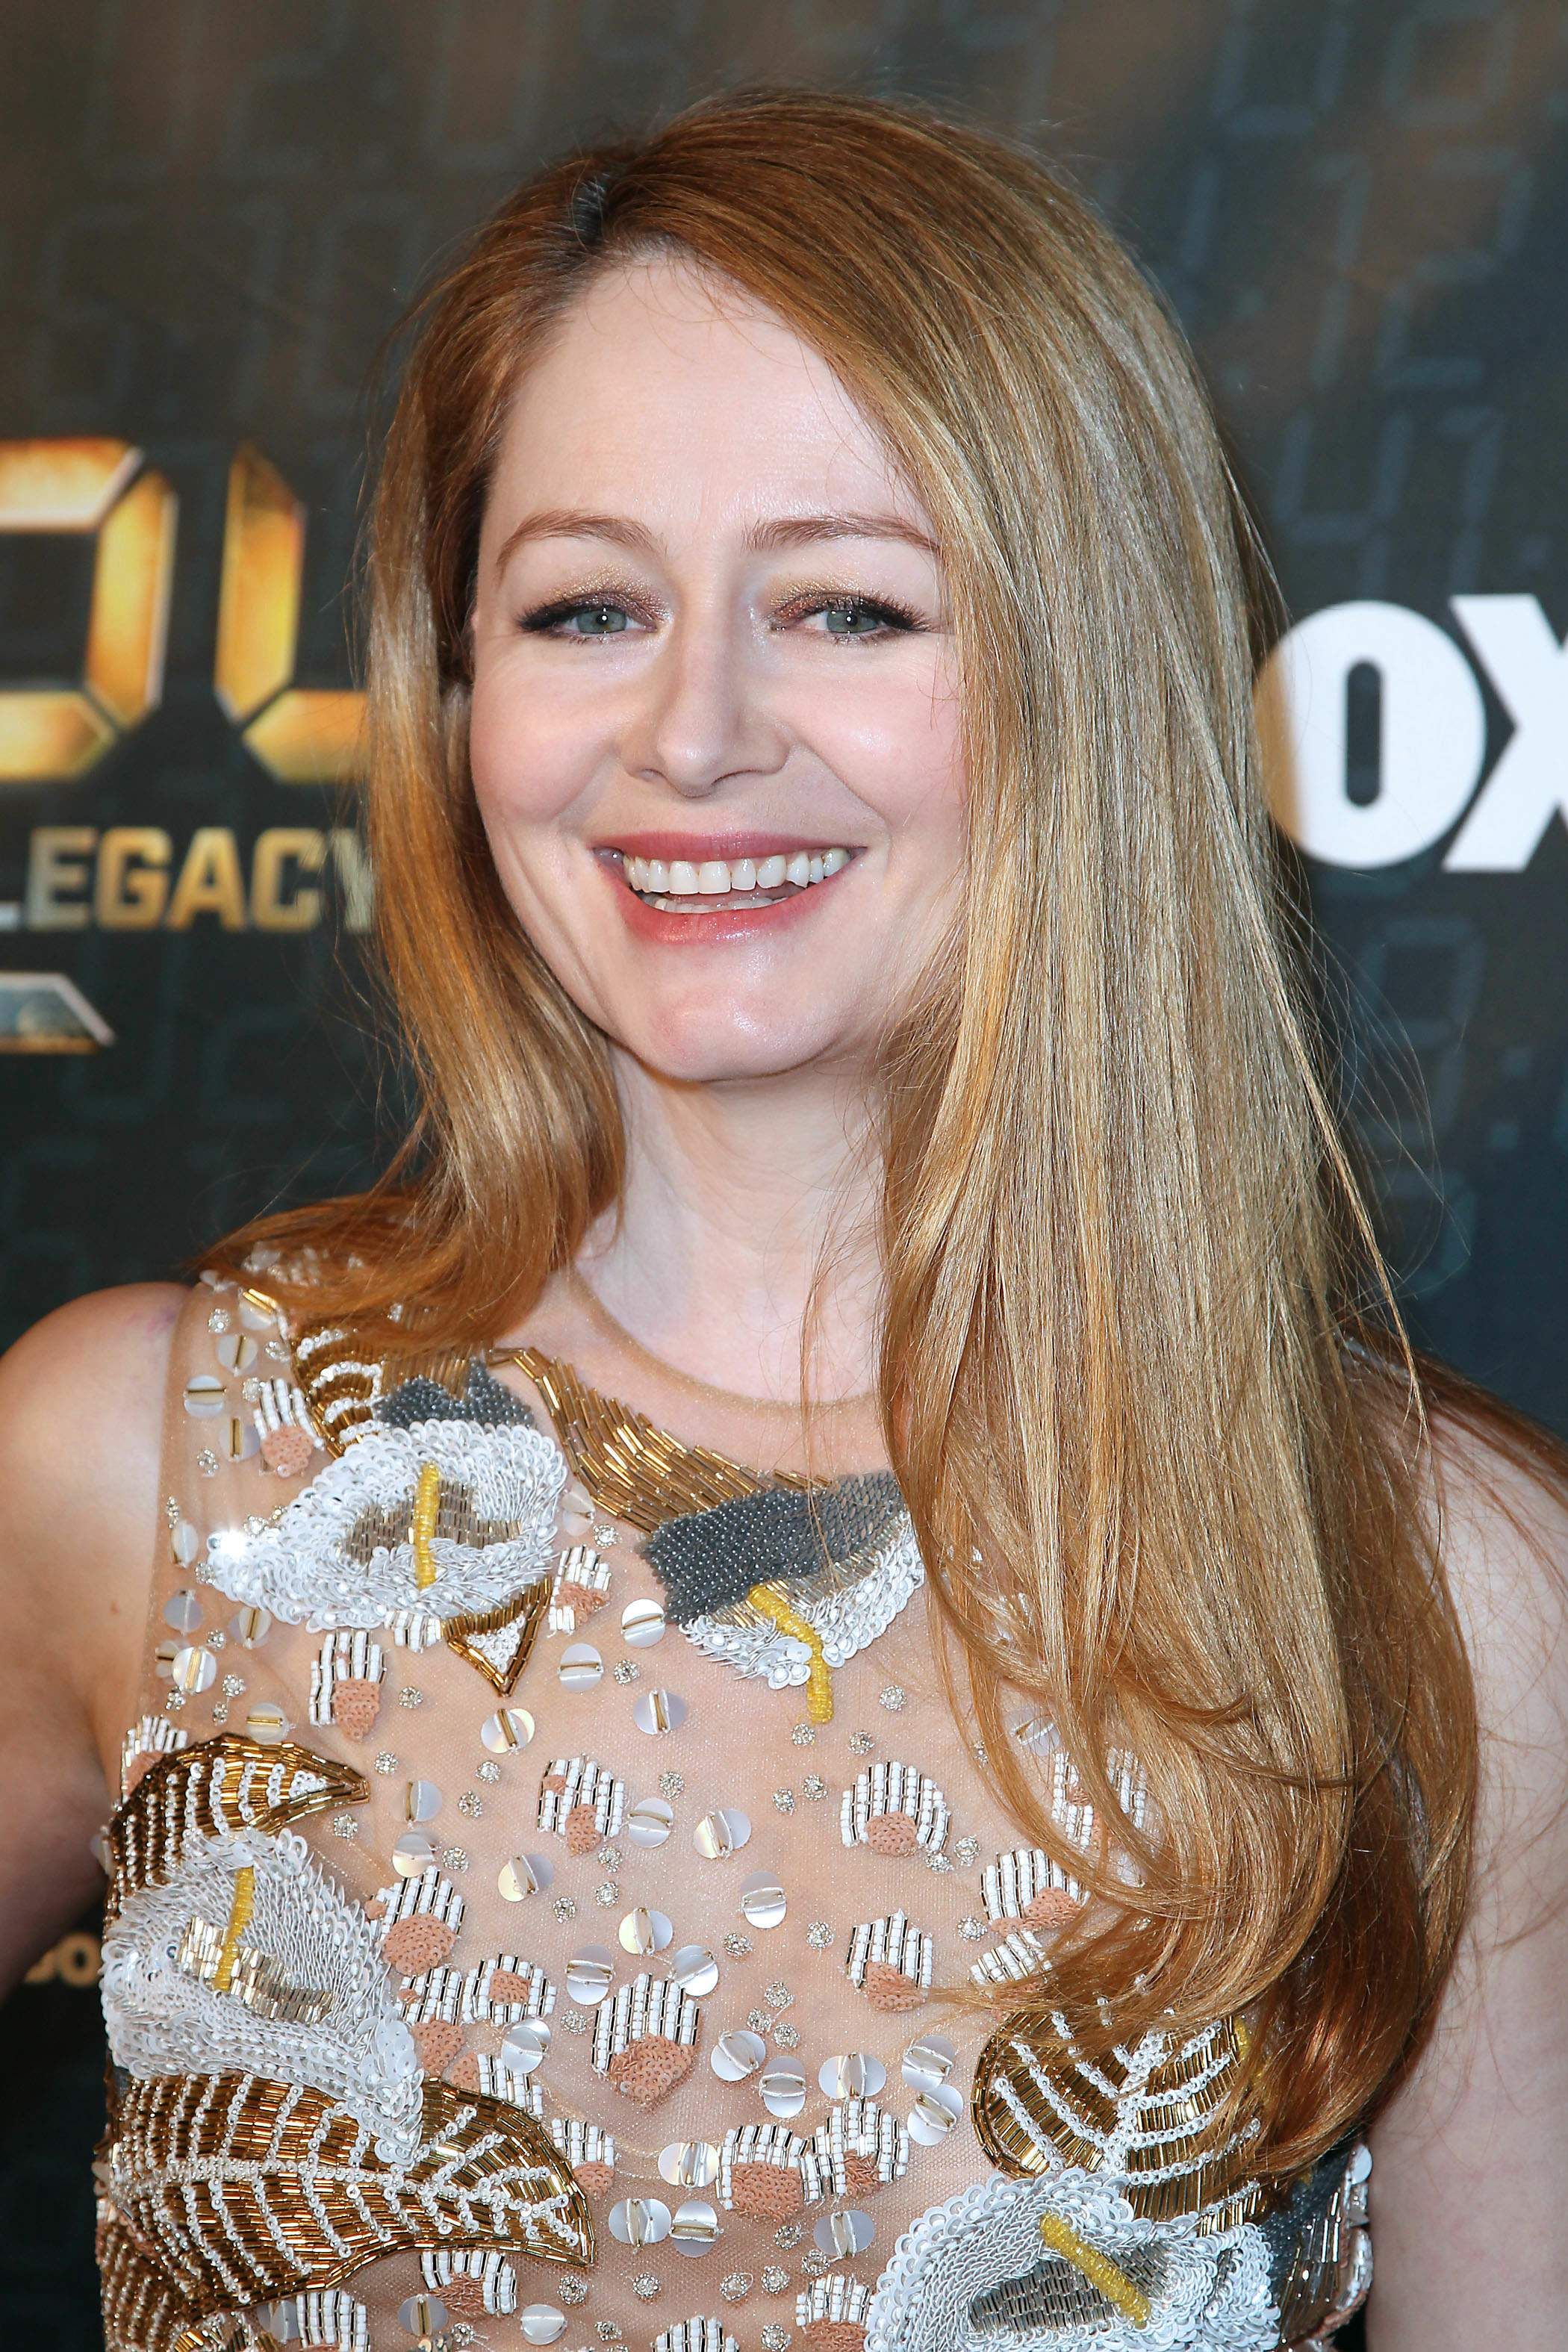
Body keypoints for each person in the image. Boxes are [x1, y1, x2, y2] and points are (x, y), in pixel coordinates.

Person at [1, 84, 1564, 2352]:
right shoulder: (146, 1467)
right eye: (587, 607)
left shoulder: (1434, 1592)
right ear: (458, 691)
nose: (695, 730)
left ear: (1094, 678)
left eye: (845, 606)